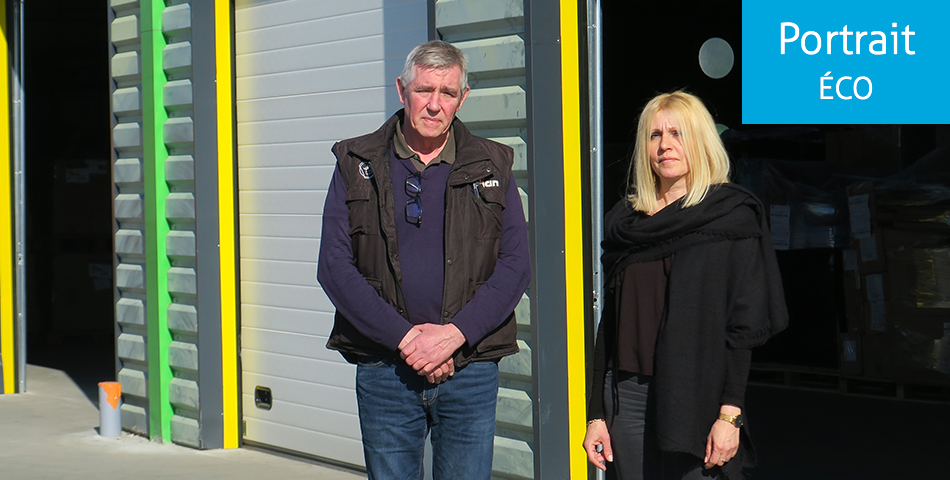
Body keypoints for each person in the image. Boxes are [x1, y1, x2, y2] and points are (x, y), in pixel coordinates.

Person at [317, 40, 530, 480]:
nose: (435, 104)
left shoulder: (494, 165)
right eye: (424, 90)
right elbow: (335, 267)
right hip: (385, 371)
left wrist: (453, 336)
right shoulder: (357, 162)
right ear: (402, 90)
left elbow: (514, 268)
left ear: (463, 98)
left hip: (468, 369)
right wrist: (408, 340)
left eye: (447, 93)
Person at [582, 91, 788, 480]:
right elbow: (609, 323)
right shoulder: (627, 221)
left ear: (700, 140)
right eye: (655, 135)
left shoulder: (729, 215)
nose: (665, 145)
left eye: (677, 133)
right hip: (627, 395)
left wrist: (731, 415)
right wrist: (596, 414)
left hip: (697, 395)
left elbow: (741, 329)